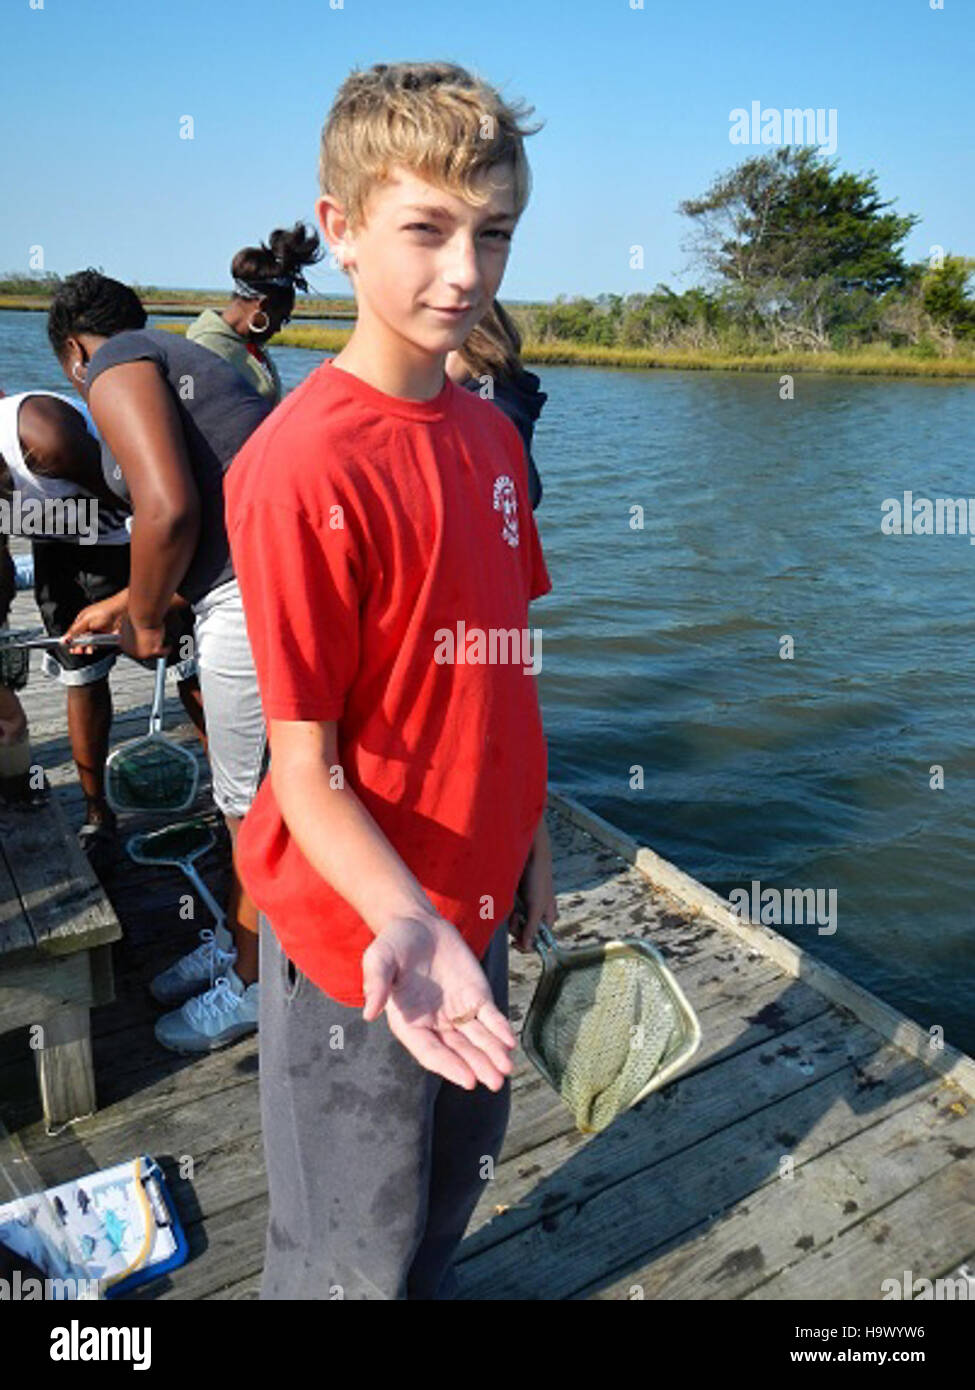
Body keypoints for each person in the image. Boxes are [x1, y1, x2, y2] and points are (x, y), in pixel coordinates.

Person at [225, 59, 556, 1301]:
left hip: (476, 907)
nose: (464, 272)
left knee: (442, 1207)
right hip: (365, 937)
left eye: (494, 234)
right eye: (424, 229)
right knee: (346, 1250)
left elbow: (508, 660)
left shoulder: (490, 435)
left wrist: (530, 832)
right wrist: (406, 919)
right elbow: (301, 771)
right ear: (343, 231)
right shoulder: (301, 468)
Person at [47, 271, 274, 1051]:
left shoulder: (111, 367)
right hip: (259, 578)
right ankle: (247, 944)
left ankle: (255, 985)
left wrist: (143, 615)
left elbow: (167, 509)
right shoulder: (175, 358)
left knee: (246, 806)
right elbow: (212, 514)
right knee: (256, 793)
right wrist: (127, 606)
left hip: (257, 594)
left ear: (73, 350)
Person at [0, 385, 204, 868]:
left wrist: (136, 603)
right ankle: (98, 817)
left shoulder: (45, 438)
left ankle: (236, 794)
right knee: (81, 676)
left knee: (188, 666)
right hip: (59, 544)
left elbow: (149, 503)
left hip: (135, 537)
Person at [185, 224, 321, 403]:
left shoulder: (249, 347)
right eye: (281, 319)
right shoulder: (205, 349)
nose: (279, 330)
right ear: (263, 306)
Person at [445, 298, 546, 509]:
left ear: (475, 345)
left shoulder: (487, 406)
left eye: (445, 348)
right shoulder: (502, 390)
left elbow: (527, 493)